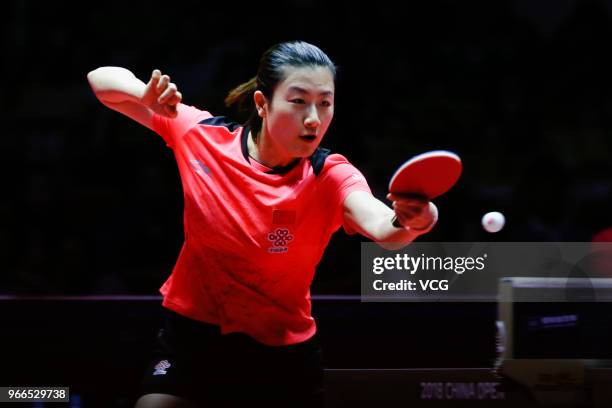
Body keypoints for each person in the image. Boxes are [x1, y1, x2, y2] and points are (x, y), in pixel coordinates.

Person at [87, 41, 438, 408]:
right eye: (298, 101)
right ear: (261, 103)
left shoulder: (329, 174)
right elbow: (100, 82)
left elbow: (385, 228)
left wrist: (415, 220)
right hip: (193, 339)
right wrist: (146, 96)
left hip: (282, 355)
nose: (314, 118)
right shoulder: (203, 137)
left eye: (325, 102)